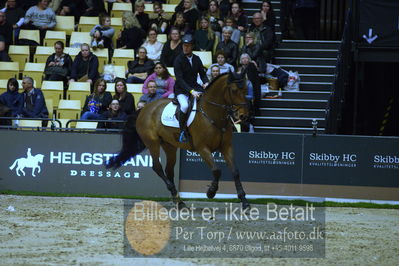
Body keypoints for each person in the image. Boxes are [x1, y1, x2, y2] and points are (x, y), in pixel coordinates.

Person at [173, 34, 209, 142]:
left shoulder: (197, 59)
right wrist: (191, 91)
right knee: (184, 106)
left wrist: (206, 83)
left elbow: (202, 74)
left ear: (192, 46)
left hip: (195, 86)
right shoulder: (178, 60)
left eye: (188, 45)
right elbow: (179, 79)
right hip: (182, 89)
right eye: (184, 45)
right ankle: (183, 131)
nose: (185, 48)